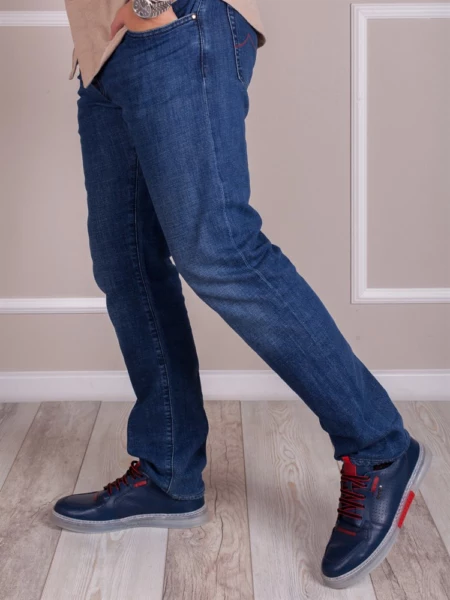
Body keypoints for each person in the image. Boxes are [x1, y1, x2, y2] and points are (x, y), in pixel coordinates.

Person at [53, 0, 431, 589]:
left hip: (169, 26)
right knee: (126, 265)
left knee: (221, 249)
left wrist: (152, 5)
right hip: (103, 49)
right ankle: (169, 471)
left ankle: (380, 447)